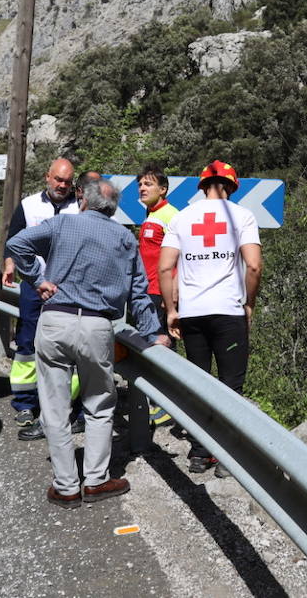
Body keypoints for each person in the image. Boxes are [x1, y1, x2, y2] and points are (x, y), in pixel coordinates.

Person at [5, 179, 169, 508]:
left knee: (54, 406)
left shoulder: (63, 222)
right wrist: (153, 333)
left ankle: (66, 486)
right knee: (99, 405)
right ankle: (96, 481)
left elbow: (18, 244)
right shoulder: (124, 237)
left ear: (83, 199)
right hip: (96, 326)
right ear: (113, 209)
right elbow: (139, 292)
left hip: (55, 321)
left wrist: (38, 280)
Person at [159, 160, 262, 474]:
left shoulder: (181, 217)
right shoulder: (242, 216)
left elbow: (165, 268)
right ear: (231, 186)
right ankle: (227, 457)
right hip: (228, 311)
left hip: (192, 314)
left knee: (199, 384)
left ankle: (200, 453)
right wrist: (249, 304)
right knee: (231, 385)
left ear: (202, 186)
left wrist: (172, 310)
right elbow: (254, 266)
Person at [1, 157, 80, 440]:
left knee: (68, 346)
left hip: (68, 287)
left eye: (67, 181)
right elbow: (13, 239)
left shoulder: (79, 206)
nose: (62, 185)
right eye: (58, 179)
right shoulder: (29, 205)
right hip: (34, 286)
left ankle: (65, 403)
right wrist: (10, 264)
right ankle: (25, 403)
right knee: (27, 344)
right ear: (48, 177)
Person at [137, 164, 179, 426]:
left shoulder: (171, 215)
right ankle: (158, 400)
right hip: (147, 291)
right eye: (140, 184)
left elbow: (180, 258)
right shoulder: (150, 215)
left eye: (148, 184)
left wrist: (170, 295)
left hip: (161, 294)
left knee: (165, 347)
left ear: (163, 189)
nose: (142, 188)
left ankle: (168, 404)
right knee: (152, 345)